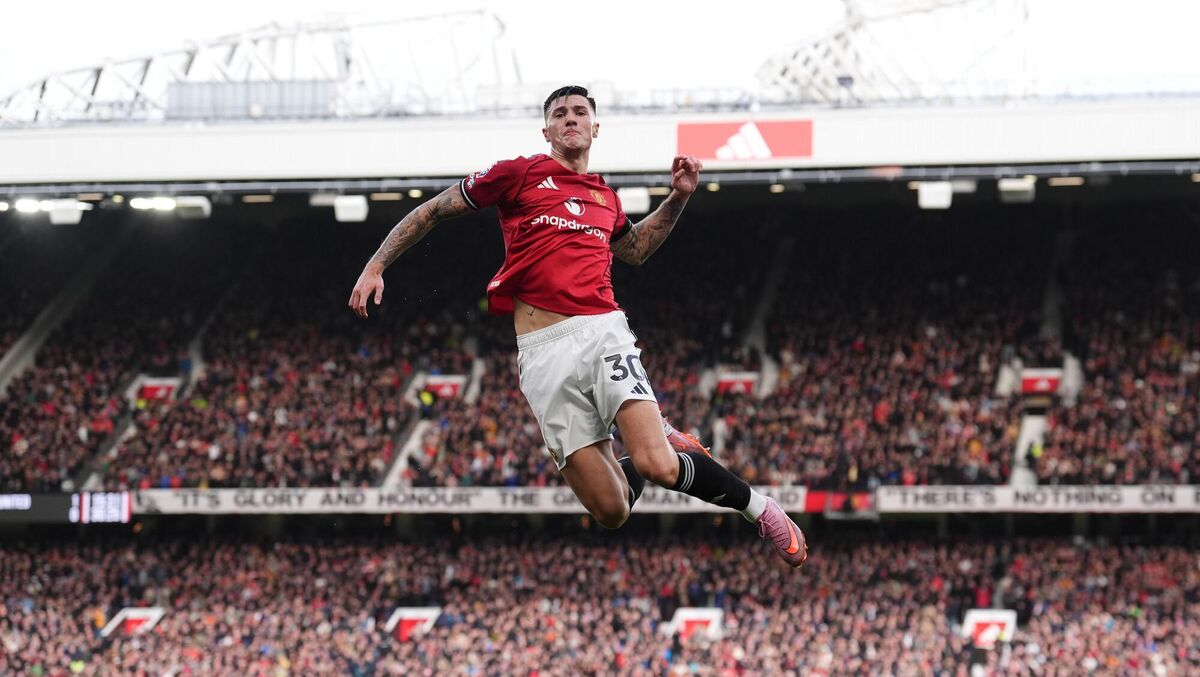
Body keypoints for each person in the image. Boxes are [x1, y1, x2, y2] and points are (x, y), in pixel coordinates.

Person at [349, 85, 806, 567]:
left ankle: (760, 509)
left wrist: (677, 199)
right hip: (542, 355)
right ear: (546, 130)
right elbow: (434, 209)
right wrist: (376, 265)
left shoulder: (604, 195)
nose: (571, 118)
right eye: (560, 113)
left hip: (601, 331)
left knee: (657, 465)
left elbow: (633, 250)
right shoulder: (517, 174)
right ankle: (657, 429)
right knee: (612, 510)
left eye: (580, 112)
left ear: (594, 127)